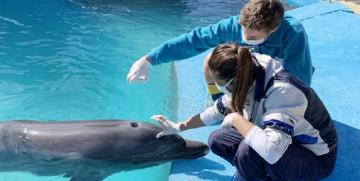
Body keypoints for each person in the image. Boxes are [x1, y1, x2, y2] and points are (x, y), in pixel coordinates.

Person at [151, 43, 337, 181]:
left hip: (316, 160)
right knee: (219, 140)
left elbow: (271, 150)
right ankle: (276, 178)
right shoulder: (246, 72)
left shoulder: (282, 91)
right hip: (289, 145)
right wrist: (178, 126)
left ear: (231, 84)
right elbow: (216, 111)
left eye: (217, 83)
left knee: (249, 149)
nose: (215, 86)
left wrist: (234, 118)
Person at [127, 0, 314, 101]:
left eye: (253, 37)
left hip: (278, 78)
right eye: (243, 30)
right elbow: (194, 40)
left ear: (273, 29)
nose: (245, 38)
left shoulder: (293, 33)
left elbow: (300, 78)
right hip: (253, 68)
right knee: (210, 61)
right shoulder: (234, 25)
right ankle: (217, 100)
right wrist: (149, 59)